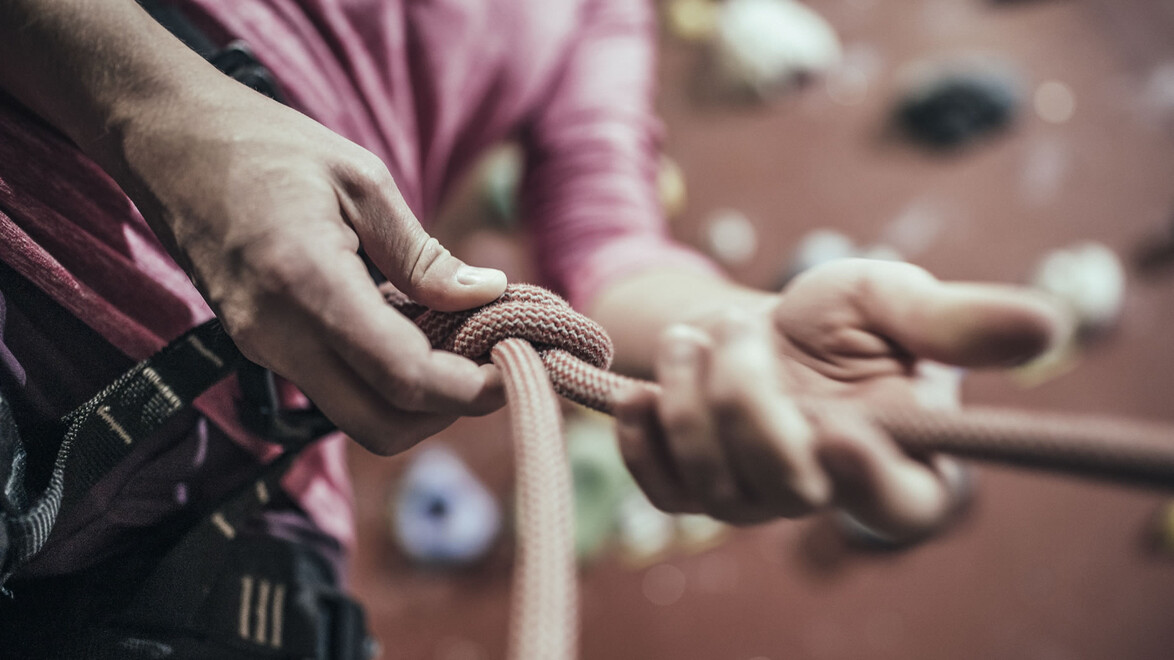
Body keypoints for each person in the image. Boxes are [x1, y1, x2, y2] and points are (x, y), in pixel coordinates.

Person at [0, 0, 1067, 656]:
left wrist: (740, 339)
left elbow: (610, 252)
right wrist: (158, 105)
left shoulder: (598, 15)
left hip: (240, 488)